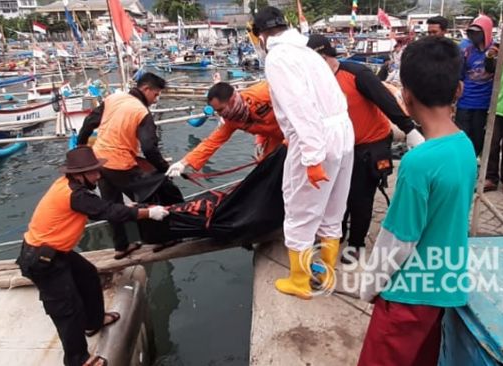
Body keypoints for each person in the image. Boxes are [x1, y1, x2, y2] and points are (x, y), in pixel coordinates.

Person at [358, 36, 477, 366]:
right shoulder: (465, 147)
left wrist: (370, 285)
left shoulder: (417, 162)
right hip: (443, 288)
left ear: (405, 97)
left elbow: (399, 240)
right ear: (459, 91)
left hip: (407, 296)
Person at [16, 146, 169, 366]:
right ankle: (77, 359)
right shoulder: (74, 194)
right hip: (42, 259)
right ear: (79, 175)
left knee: (87, 274)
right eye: (93, 172)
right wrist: (147, 213)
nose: (98, 175)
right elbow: (109, 212)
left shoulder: (70, 187)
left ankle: (93, 321)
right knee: (67, 309)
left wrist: (131, 207)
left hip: (57, 251)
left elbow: (100, 207)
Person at [252, 6, 355, 299]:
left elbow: (300, 108)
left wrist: (310, 156)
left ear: (260, 35)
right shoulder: (308, 52)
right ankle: (326, 270)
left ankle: (300, 281)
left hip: (315, 138)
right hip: (341, 133)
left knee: (299, 210)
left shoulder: (278, 57)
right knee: (333, 208)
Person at [306, 34, 425, 264]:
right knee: (335, 194)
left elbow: (384, 100)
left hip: (370, 143)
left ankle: (356, 243)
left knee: (360, 197)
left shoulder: (356, 74)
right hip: (339, 147)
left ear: (323, 57)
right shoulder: (314, 83)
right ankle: (336, 234)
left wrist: (409, 129)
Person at [77, 72, 171, 259]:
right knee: (149, 195)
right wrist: (163, 169)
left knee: (112, 205)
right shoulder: (141, 111)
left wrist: (81, 147)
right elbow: (149, 148)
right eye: (156, 94)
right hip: (120, 164)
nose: (155, 99)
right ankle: (160, 239)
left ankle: (121, 246)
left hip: (99, 161)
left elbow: (89, 123)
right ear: (146, 89)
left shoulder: (113, 98)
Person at [165, 81, 284, 177]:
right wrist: (183, 163)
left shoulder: (263, 92)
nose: (221, 115)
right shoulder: (232, 120)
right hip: (275, 137)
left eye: (221, 110)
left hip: (297, 130)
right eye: (217, 111)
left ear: (232, 101)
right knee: (267, 167)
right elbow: (212, 142)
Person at [456, 15, 495, 155]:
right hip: (465, 100)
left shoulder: (495, 50)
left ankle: (476, 161)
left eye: (477, 32)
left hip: (484, 102)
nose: (474, 36)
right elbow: (460, 75)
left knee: (479, 137)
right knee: (462, 136)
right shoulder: (466, 51)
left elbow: (495, 71)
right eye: (471, 32)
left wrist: (490, 57)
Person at [484, 44, 503, 193]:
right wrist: (489, 56)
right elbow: (489, 68)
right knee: (492, 145)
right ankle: (491, 177)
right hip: (497, 108)